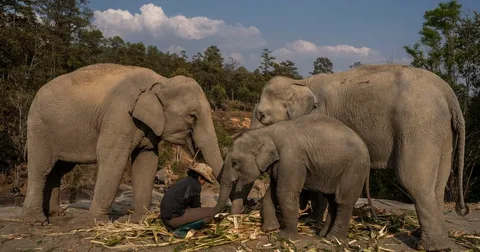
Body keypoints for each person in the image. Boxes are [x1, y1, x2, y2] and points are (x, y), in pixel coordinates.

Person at [160, 163, 218, 238]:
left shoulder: (185, 181)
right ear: (200, 178)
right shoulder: (195, 185)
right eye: (204, 180)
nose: (204, 183)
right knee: (211, 213)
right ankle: (181, 230)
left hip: (166, 217)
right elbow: (196, 207)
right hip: (173, 220)